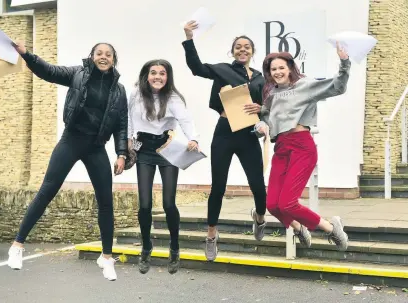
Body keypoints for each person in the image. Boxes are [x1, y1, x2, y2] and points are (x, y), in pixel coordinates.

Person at [7, 41, 128, 281]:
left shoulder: (119, 90)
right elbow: (48, 71)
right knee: (47, 190)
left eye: (108, 55)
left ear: (114, 59)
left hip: (96, 147)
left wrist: (121, 153)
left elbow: (121, 123)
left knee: (106, 200)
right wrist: (27, 54)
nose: (103, 57)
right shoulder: (77, 74)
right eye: (99, 53)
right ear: (91, 56)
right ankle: (17, 246)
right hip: (71, 140)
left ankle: (106, 257)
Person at [182, 21, 267, 261]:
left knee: (258, 186)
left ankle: (259, 217)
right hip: (224, 132)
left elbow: (267, 107)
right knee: (218, 187)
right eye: (238, 47)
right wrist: (189, 39)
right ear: (233, 51)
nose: (242, 50)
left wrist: (261, 108)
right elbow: (196, 67)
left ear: (252, 52)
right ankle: (211, 235)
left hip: (248, 133)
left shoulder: (261, 78)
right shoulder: (222, 69)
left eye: (247, 47)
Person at [256, 43, 351, 251]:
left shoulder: (305, 85)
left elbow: (338, 86)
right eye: (273, 69)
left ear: (290, 67)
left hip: (301, 147)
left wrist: (344, 62)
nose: (278, 72)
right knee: (272, 205)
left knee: (288, 203)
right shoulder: (271, 94)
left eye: (281, 67)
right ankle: (299, 228)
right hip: (281, 148)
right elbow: (265, 116)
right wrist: (261, 124)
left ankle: (331, 227)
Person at [128, 59, 200, 274]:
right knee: (145, 204)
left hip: (167, 147)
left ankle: (175, 247)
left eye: (162, 73)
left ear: (168, 77)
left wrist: (194, 139)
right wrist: (128, 141)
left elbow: (186, 120)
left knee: (169, 203)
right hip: (144, 150)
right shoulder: (136, 94)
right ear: (146, 75)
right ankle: (146, 248)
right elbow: (129, 119)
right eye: (153, 73)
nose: (157, 77)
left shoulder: (174, 97)